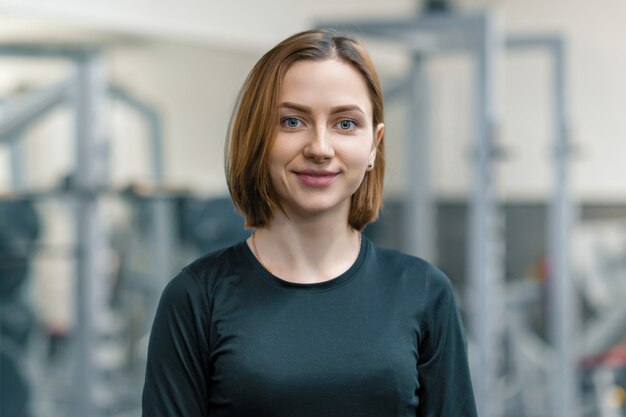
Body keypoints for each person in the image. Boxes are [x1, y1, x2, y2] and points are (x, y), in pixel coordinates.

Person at [142, 29, 477, 417]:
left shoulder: (422, 291)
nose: (319, 147)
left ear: (373, 145)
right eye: (292, 121)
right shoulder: (197, 297)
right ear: (257, 137)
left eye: (346, 124)